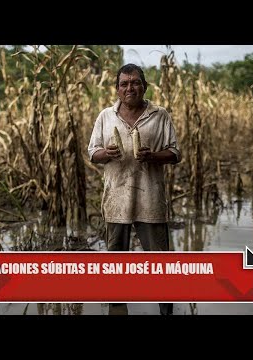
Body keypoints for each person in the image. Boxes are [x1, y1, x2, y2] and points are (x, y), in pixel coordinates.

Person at [88, 64, 181, 315]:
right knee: (116, 267)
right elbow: (92, 153)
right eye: (124, 84)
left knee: (160, 265)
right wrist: (105, 153)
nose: (130, 87)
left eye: (135, 82)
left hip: (150, 199)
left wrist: (152, 156)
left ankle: (166, 310)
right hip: (116, 199)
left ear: (145, 86)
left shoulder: (159, 115)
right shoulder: (105, 116)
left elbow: (174, 153)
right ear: (117, 90)